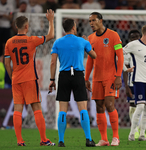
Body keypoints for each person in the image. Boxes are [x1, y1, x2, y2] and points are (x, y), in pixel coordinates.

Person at [4, 9, 55, 146]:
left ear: (16, 27)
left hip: (16, 79)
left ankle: (19, 141)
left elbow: (6, 62)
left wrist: (12, 75)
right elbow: (51, 35)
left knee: (17, 109)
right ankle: (44, 140)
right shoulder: (31, 40)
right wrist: (50, 20)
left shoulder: (9, 42)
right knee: (36, 107)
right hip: (30, 79)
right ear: (27, 27)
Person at [48, 18, 97, 147]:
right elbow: (94, 55)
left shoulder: (57, 42)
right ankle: (88, 139)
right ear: (74, 28)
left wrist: (52, 80)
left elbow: (53, 63)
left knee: (62, 110)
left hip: (63, 76)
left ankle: (61, 141)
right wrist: (87, 43)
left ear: (64, 29)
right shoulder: (82, 41)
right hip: (78, 75)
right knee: (83, 108)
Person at [85, 12, 124, 146]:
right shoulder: (90, 38)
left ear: (101, 21)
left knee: (109, 105)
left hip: (111, 77)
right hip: (97, 78)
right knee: (99, 107)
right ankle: (104, 139)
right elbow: (90, 60)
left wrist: (118, 76)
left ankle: (116, 137)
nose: (91, 23)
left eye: (93, 20)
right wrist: (86, 78)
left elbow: (120, 57)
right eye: (90, 21)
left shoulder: (113, 35)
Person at [123, 25, 146, 141]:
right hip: (138, 79)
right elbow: (119, 53)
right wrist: (125, 69)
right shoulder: (133, 45)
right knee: (139, 106)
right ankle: (132, 134)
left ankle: (142, 134)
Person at [123, 29, 146, 140]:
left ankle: (141, 131)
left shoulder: (145, 48)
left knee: (145, 106)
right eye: (132, 37)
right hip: (132, 82)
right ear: (129, 39)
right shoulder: (128, 50)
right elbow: (124, 69)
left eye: (137, 37)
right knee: (133, 106)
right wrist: (126, 86)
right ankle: (135, 130)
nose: (135, 39)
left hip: (144, 81)